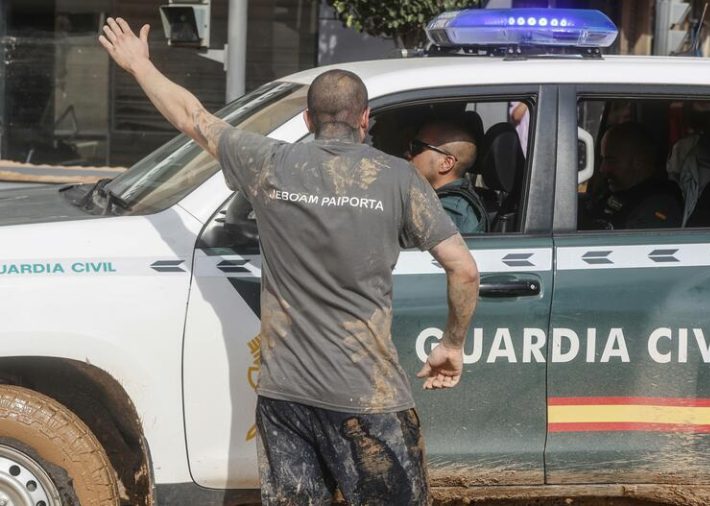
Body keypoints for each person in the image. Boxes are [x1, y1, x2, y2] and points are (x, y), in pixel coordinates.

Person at [99, 17, 479, 506]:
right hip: (369, 398)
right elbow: (464, 268)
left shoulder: (269, 163)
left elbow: (192, 117)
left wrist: (140, 65)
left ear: (307, 119)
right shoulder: (399, 179)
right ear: (365, 119)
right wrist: (452, 343)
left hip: (285, 399)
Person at [581, 122, 683, 230]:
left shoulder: (658, 205)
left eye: (611, 161)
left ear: (638, 162)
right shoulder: (614, 192)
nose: (602, 169)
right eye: (602, 160)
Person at [408, 120, 489, 234]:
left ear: (446, 163)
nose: (408, 153)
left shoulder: (450, 211)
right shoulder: (439, 200)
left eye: (417, 147)